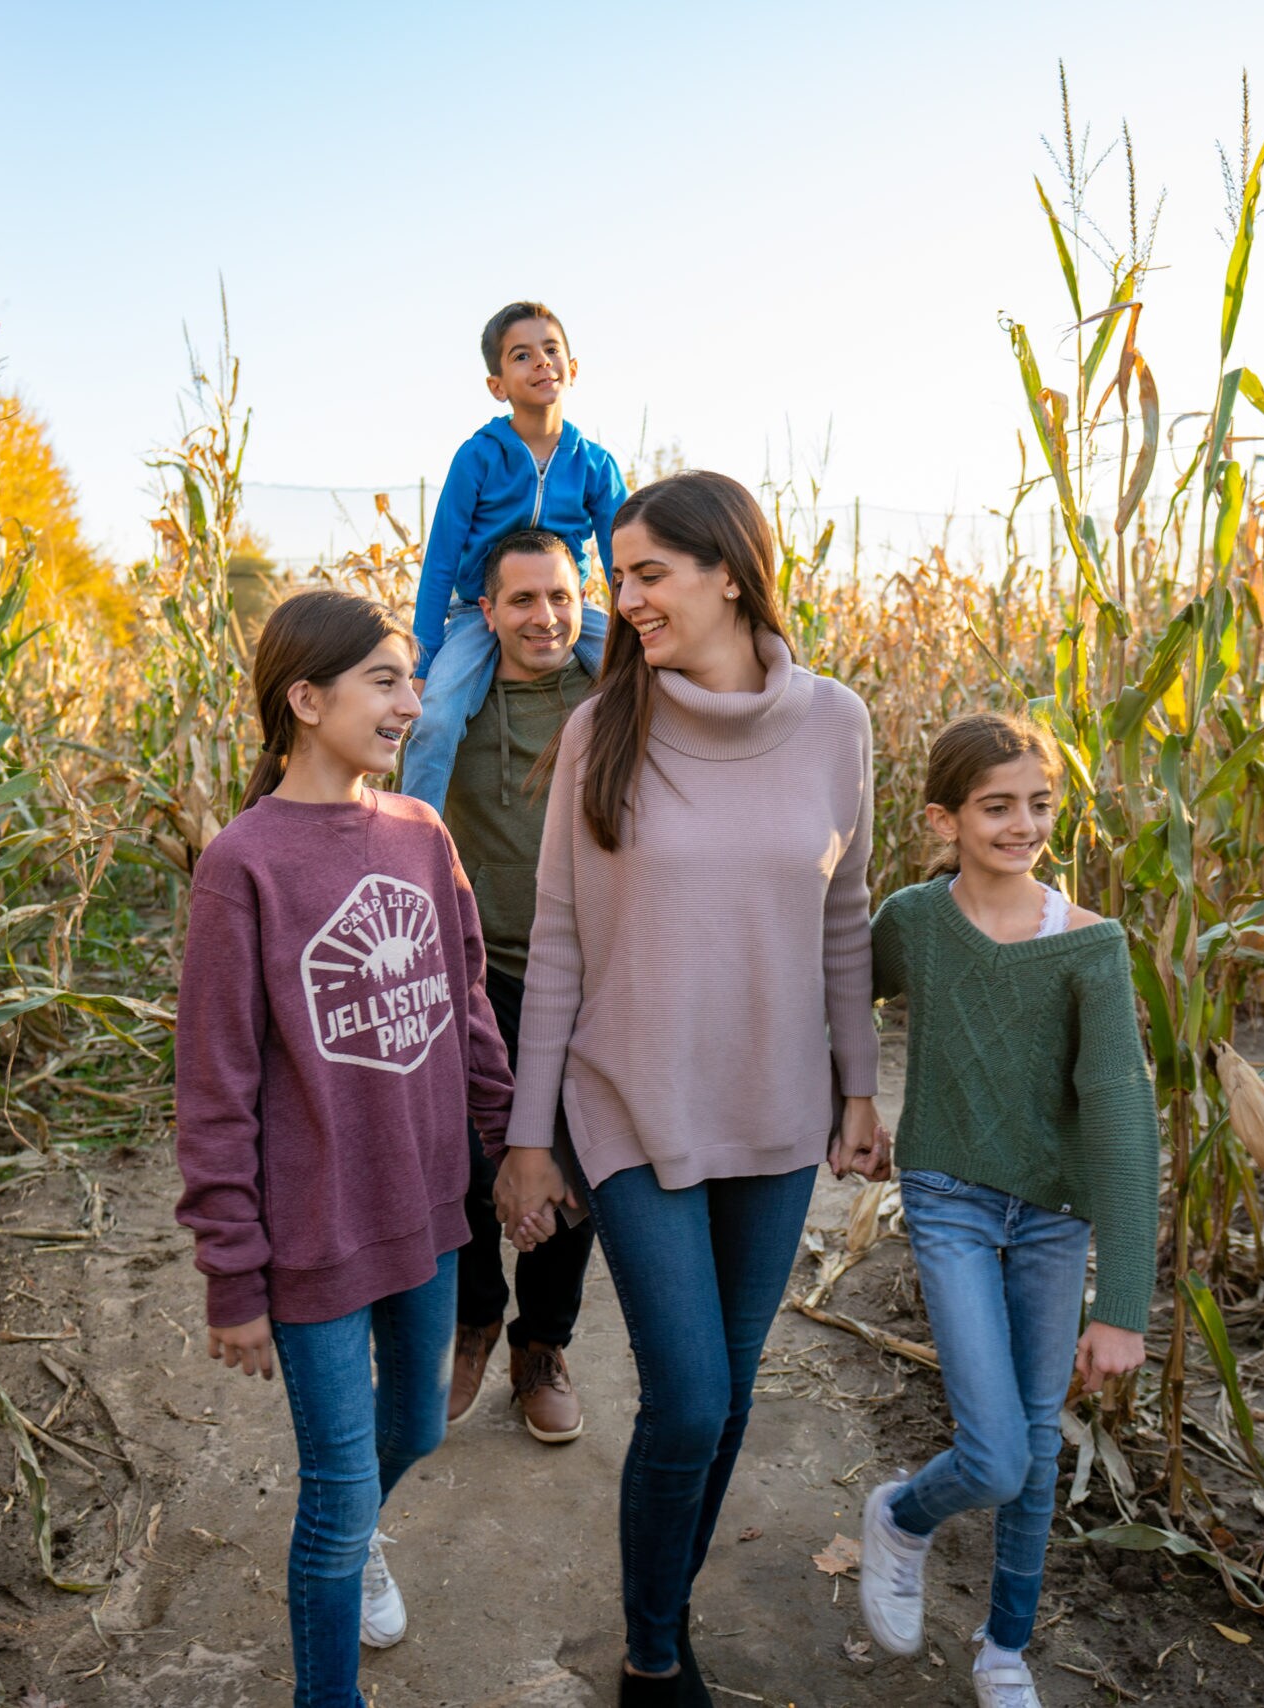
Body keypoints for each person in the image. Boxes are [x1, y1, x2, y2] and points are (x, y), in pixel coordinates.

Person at [496, 471, 890, 1707]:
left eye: (648, 572)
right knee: (692, 1394)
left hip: (775, 1111)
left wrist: (860, 1087)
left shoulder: (837, 724)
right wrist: (527, 1139)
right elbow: (556, 938)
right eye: (620, 576)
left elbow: (844, 914)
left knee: (726, 1401)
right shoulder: (600, 729)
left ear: (729, 568)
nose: (627, 598)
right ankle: (652, 1657)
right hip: (629, 1099)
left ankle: (661, 1619)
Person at [173, 589, 513, 1708]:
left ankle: (366, 1522)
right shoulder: (245, 864)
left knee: (415, 1421)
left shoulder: (419, 834)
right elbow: (214, 1087)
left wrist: (507, 1143)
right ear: (304, 699)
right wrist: (233, 1272)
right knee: (331, 1495)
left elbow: (465, 1003)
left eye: (413, 680)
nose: (412, 703)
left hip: (426, 1205)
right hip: (315, 1227)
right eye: (385, 680)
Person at [852, 712, 1161, 1708]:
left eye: (1037, 803)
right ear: (943, 818)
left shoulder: (1089, 946)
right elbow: (838, 997)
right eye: (996, 806)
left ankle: (1003, 1648)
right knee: (995, 1451)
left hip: (1050, 1213)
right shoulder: (911, 921)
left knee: (1032, 1437)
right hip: (945, 1194)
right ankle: (903, 1515)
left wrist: (1121, 1302)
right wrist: (845, 1105)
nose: (1022, 823)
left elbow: (1120, 1119)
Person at [439, 527, 600, 1443]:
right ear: (489, 610)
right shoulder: (448, 705)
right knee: (462, 1163)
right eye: (524, 600)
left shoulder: (616, 694)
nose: (544, 617)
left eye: (561, 597)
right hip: (477, 971)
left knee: (572, 1172)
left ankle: (544, 1343)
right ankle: (475, 1316)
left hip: (583, 974)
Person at [399, 300, 628, 811]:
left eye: (551, 350)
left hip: (570, 611)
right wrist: (425, 658)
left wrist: (636, 635)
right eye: (522, 355)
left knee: (645, 685)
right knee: (434, 719)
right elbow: (441, 559)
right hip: (477, 613)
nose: (541, 362)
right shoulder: (478, 456)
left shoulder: (594, 464)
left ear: (572, 367)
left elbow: (622, 561)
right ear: (497, 385)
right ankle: (413, 838)